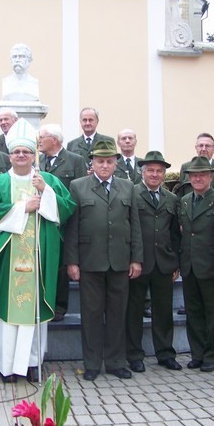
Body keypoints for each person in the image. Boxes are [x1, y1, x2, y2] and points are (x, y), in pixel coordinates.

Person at [0, 119, 75, 383]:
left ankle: (32, 364)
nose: (21, 156)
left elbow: (67, 208)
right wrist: (24, 208)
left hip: (38, 258)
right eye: (16, 152)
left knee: (33, 315)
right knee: (6, 318)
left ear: (34, 155)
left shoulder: (48, 179)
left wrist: (47, 194)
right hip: (7, 259)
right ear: (9, 155)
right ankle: (6, 366)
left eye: (27, 152)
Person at [64, 140, 143, 381]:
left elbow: (135, 226)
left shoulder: (128, 186)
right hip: (90, 262)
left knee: (118, 314)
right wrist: (72, 262)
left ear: (116, 163)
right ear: (93, 163)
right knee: (91, 315)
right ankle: (92, 364)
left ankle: (116, 362)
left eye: (109, 161)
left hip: (120, 261)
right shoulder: (78, 186)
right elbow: (72, 228)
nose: (105, 165)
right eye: (100, 161)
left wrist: (136, 259)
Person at [126, 151, 182, 373]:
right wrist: (132, 259)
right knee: (134, 310)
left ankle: (165, 353)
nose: (155, 174)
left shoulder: (172, 199)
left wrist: (175, 262)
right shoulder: (132, 194)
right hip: (138, 263)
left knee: (163, 311)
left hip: (164, 263)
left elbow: (175, 234)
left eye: (159, 171)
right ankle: (134, 355)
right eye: (150, 170)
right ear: (143, 172)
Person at [178, 156, 214, 373]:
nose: (197, 178)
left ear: (211, 176)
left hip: (212, 265)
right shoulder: (185, 200)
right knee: (194, 312)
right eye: (194, 175)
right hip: (189, 266)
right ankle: (197, 353)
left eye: (202, 175)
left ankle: (212, 356)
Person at [38, 123, 87, 321]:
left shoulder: (75, 160)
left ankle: (59, 306)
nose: (39, 141)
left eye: (42, 137)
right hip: (42, 220)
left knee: (61, 265)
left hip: (65, 221)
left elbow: (81, 190)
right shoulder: (37, 161)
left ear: (55, 140)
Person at [176, 133, 214, 197]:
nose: (203, 149)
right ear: (196, 148)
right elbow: (182, 195)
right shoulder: (186, 167)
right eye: (201, 145)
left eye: (207, 146)